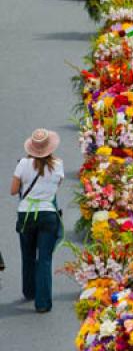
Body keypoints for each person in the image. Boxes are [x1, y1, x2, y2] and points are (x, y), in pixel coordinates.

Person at [11, 128, 63, 313]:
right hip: (48, 214)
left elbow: (13, 189)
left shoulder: (23, 164)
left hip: (26, 214)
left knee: (28, 254)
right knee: (45, 259)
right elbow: (56, 186)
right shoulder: (58, 164)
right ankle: (42, 303)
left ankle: (29, 290)